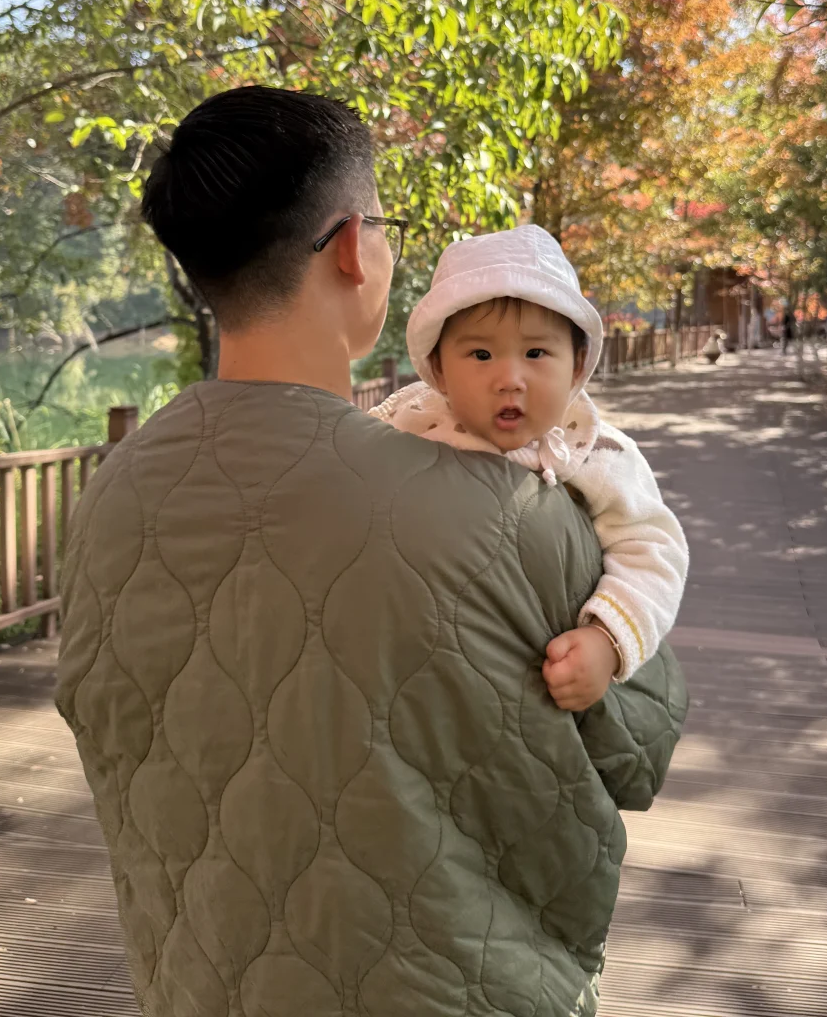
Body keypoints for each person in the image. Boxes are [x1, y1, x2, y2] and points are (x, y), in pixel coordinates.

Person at [55, 86, 687, 1017]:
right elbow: (640, 742)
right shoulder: (522, 508)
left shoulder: (110, 497)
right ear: (354, 245)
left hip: (199, 984)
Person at [371, 226, 688, 712]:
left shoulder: (597, 450)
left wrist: (608, 640)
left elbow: (654, 548)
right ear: (437, 369)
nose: (510, 380)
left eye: (536, 353)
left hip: (536, 685)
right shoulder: (410, 426)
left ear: (578, 364)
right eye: (480, 354)